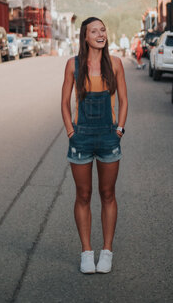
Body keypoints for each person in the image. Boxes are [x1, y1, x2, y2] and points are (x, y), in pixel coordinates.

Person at [61, 17, 128, 274]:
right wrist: (70, 131)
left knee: (108, 194)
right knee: (83, 195)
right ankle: (87, 252)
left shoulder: (116, 64)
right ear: (85, 36)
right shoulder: (73, 65)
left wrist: (119, 129)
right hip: (81, 137)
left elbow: (124, 100)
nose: (100, 34)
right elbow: (64, 102)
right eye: (94, 31)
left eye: (103, 30)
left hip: (109, 136)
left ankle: (107, 251)